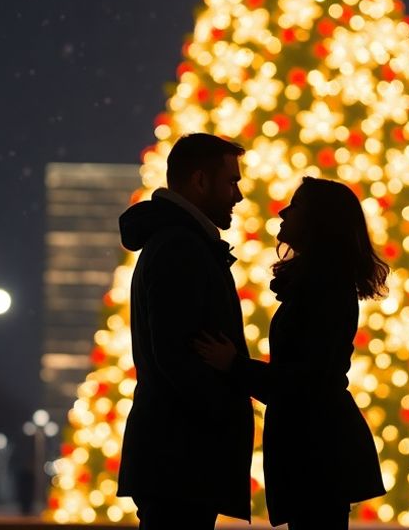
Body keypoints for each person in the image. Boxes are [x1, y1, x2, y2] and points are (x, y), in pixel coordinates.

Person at [195, 176, 388, 529]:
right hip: (316, 449)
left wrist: (234, 366)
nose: (283, 211)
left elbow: (306, 380)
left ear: (318, 220)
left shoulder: (325, 290)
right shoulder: (319, 285)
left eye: (295, 206)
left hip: (318, 453)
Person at [116, 133, 253, 528]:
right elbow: (175, 354)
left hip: (175, 456)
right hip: (183, 458)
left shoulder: (178, 242)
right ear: (199, 181)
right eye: (231, 182)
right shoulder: (181, 247)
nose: (238, 196)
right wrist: (221, 413)